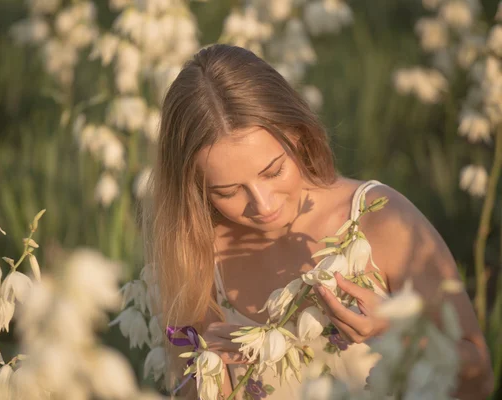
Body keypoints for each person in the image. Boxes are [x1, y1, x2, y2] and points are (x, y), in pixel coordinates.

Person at [145, 44, 494, 399]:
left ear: (298, 133)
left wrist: (395, 332)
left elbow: (479, 378)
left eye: (273, 171)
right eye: (228, 191)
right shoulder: (198, 254)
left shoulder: (379, 221)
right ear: (195, 188)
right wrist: (212, 370)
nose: (262, 205)